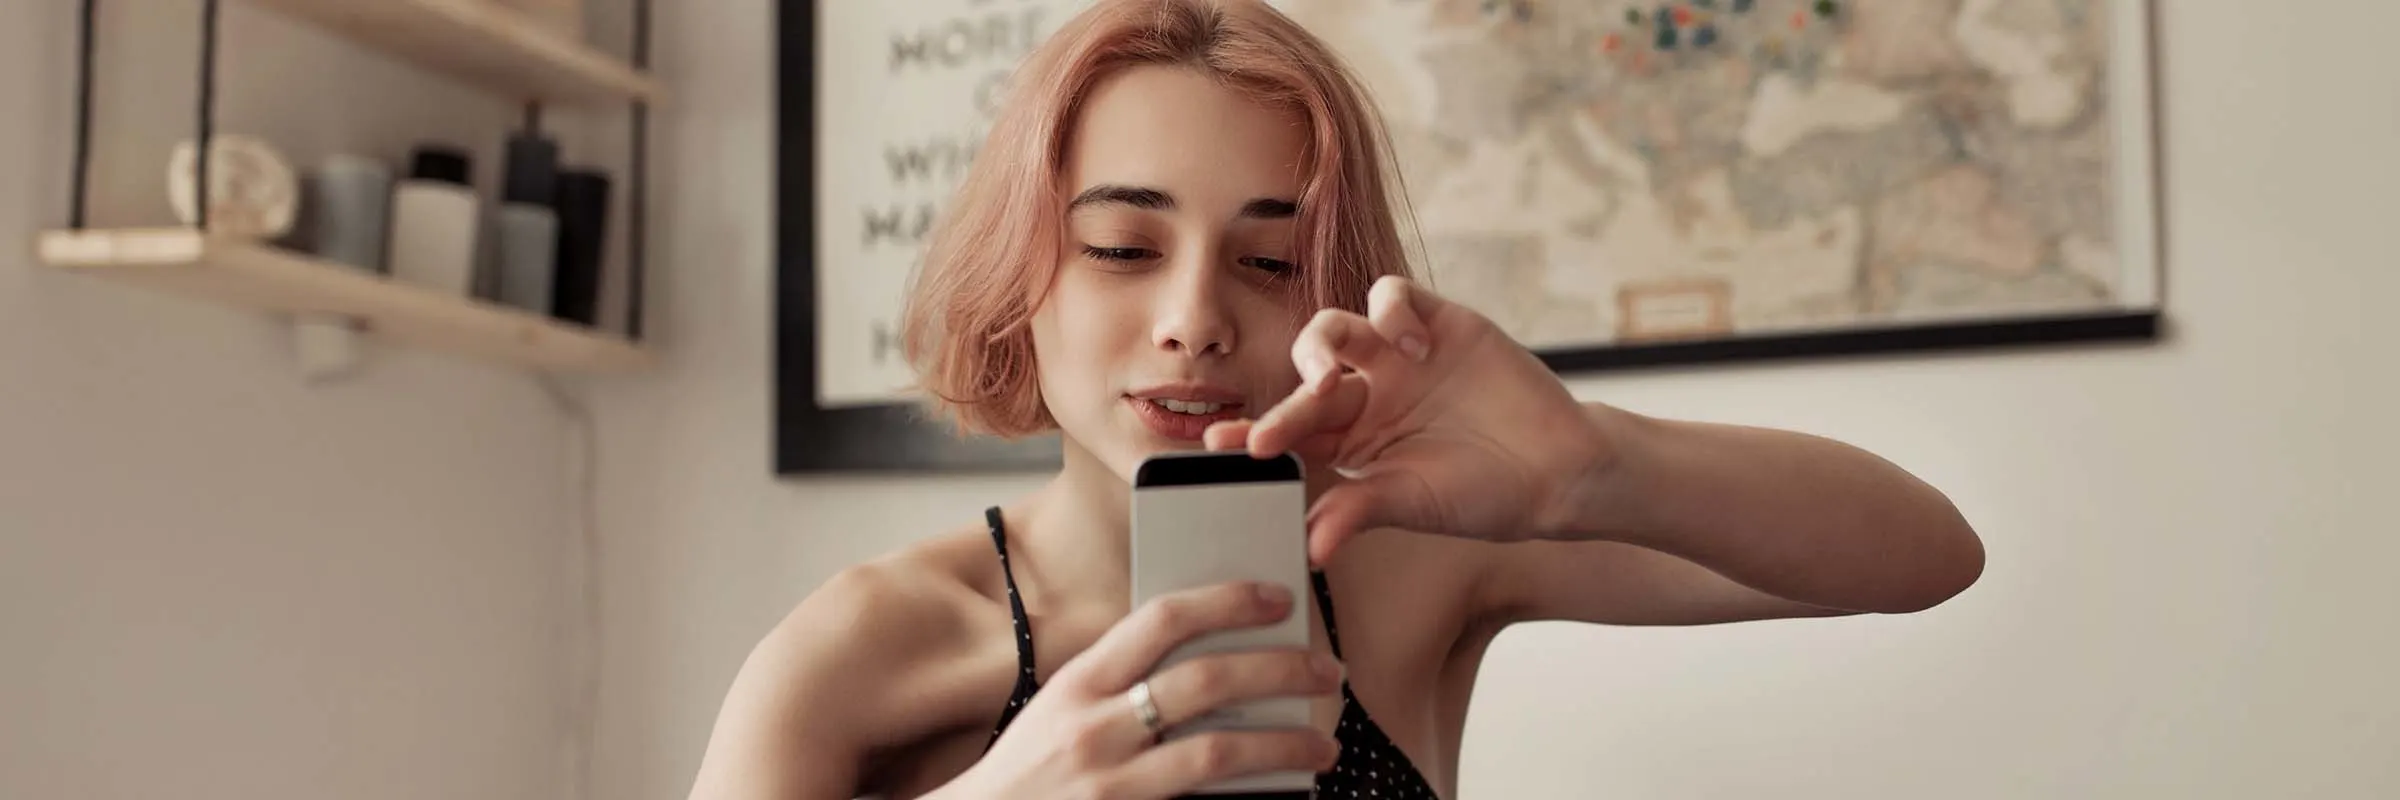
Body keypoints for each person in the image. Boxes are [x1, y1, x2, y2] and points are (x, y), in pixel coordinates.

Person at [688, 1, 1985, 798]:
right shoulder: (868, 649)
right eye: (1125, 248)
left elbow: (1928, 554)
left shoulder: (1403, 571)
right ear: (1019, 276)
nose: (1195, 317)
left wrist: (1591, 463)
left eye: (1267, 261)